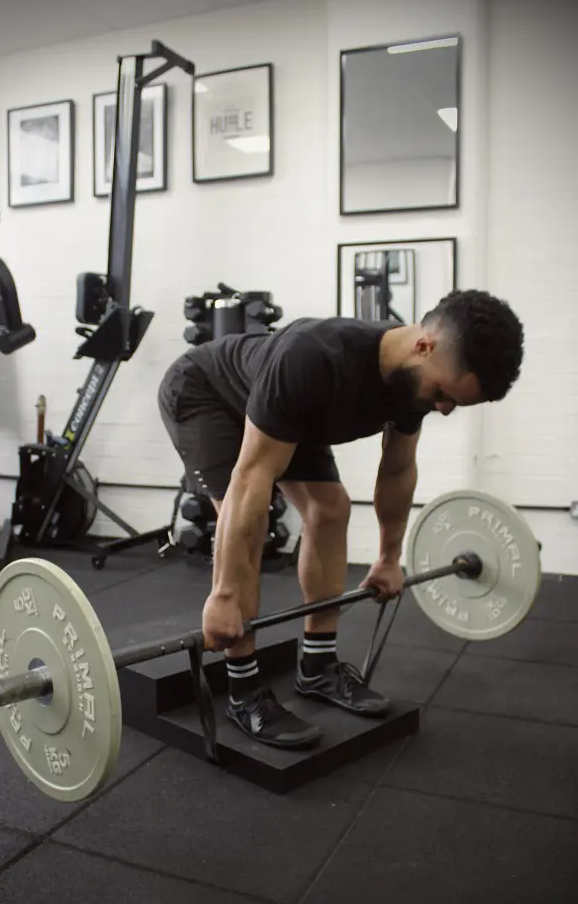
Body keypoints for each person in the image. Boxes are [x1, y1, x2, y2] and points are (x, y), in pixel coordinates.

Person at [158, 290, 524, 750]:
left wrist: (390, 558)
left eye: (454, 403)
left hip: (286, 409)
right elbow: (252, 477)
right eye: (443, 395)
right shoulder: (315, 357)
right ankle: (244, 689)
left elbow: (397, 469)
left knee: (331, 509)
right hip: (206, 393)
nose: (444, 408)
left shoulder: (414, 385)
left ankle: (317, 667)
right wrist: (224, 594)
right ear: (424, 346)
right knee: (248, 530)